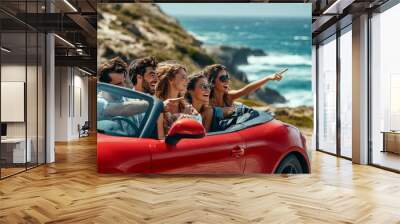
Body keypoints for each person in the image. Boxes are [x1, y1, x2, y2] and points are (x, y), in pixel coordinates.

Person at [97, 57, 149, 135]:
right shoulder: (98, 102)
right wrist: (152, 104)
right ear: (105, 85)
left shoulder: (130, 99)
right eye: (118, 84)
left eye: (123, 82)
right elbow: (121, 109)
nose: (123, 86)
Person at [203, 64, 285, 108]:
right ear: (212, 81)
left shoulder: (228, 97)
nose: (227, 81)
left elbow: (246, 90)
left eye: (227, 77)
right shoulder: (205, 101)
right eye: (223, 78)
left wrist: (268, 78)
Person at [155, 64, 201, 139]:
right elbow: (162, 139)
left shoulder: (186, 106)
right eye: (183, 77)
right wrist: (184, 117)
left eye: (187, 77)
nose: (187, 80)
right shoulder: (159, 106)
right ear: (170, 79)